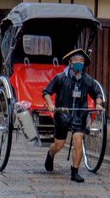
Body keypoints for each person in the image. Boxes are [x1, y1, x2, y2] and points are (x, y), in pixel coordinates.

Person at [42, 47, 103, 182]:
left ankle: (74, 172)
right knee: (59, 144)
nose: (79, 63)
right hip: (62, 115)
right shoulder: (60, 78)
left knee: (78, 139)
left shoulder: (87, 80)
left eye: (82, 60)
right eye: (76, 60)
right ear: (70, 62)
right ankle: (50, 154)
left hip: (79, 115)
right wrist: (51, 104)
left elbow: (97, 92)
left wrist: (98, 104)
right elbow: (46, 92)